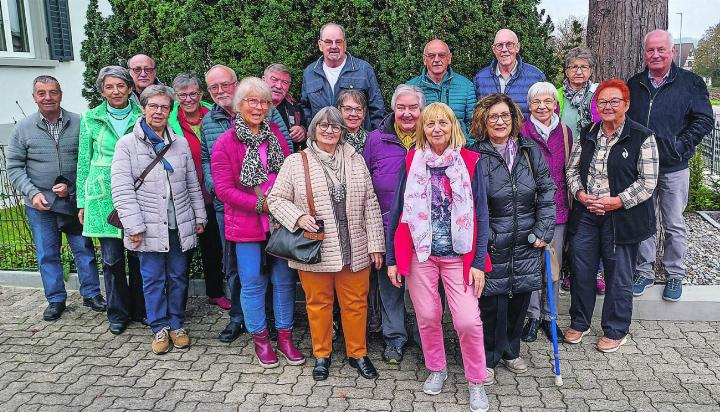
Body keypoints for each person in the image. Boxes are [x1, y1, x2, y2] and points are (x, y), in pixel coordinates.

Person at [386, 102, 491, 412]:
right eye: (430, 124)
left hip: (459, 256)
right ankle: (437, 368)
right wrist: (393, 258)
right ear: (423, 129)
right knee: (428, 317)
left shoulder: (470, 162)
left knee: (468, 321)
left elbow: (482, 215)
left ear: (452, 126)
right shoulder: (412, 161)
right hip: (422, 254)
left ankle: (476, 380)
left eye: (443, 123)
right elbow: (398, 212)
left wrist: (478, 262)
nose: (436, 129)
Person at [268, 107, 385, 381]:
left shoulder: (355, 159)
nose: (329, 130)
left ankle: (358, 353)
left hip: (354, 246)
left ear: (342, 131)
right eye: (323, 125)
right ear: (313, 129)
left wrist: (376, 244)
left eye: (335, 126)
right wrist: (298, 217)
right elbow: (275, 199)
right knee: (318, 304)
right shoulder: (297, 162)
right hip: (316, 248)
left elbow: (370, 202)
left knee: (356, 303)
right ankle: (322, 354)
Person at [210, 77, 303, 368]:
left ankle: (285, 337)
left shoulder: (275, 132)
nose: (258, 107)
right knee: (252, 283)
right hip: (247, 225)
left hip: (279, 224)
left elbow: (289, 172)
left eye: (263, 102)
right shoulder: (226, 142)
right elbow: (223, 190)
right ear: (239, 105)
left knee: (284, 281)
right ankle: (261, 340)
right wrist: (261, 204)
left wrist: (282, 205)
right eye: (252, 101)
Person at [111, 85, 207, 354]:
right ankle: (159, 328)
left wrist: (199, 216)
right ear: (143, 108)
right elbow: (121, 188)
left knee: (178, 276)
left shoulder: (179, 143)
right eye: (153, 106)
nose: (159, 111)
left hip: (178, 224)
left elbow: (192, 183)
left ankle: (177, 324)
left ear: (170, 110)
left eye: (164, 107)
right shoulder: (127, 145)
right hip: (146, 226)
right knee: (152, 279)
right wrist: (133, 226)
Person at [565, 79, 659, 352]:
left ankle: (616, 329)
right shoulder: (588, 132)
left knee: (618, 274)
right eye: (603, 102)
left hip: (621, 217)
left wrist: (616, 202)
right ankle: (579, 323)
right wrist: (581, 195)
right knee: (582, 270)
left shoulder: (642, 136)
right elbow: (572, 171)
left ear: (626, 105)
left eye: (614, 101)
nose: (608, 107)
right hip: (586, 214)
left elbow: (648, 182)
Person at [468, 94, 555, 384]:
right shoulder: (474, 155)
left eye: (505, 115)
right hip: (492, 240)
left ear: (515, 119)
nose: (500, 121)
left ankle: (511, 350)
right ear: (483, 120)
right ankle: (489, 355)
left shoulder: (530, 152)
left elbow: (546, 191)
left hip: (528, 239)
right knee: (491, 304)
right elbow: (467, 202)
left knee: (520, 298)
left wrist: (544, 229)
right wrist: (484, 236)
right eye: (493, 116)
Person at [6, 76, 105, 321]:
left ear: (60, 94)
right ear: (34, 97)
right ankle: (55, 299)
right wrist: (33, 193)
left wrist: (72, 190)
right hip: (40, 205)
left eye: (52, 92)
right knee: (47, 253)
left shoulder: (80, 123)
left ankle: (91, 294)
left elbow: (89, 161)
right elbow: (15, 167)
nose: (47, 97)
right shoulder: (23, 128)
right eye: (41, 93)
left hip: (72, 203)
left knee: (84, 250)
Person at [628, 30, 714, 302]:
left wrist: (681, 145)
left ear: (672, 51)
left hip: (674, 167)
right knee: (645, 221)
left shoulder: (690, 83)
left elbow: (704, 119)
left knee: (674, 222)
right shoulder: (636, 83)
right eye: (651, 50)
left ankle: (675, 273)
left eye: (661, 50)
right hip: (642, 168)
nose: (655, 55)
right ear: (645, 53)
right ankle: (644, 271)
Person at [76, 66, 144, 335]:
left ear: (129, 88)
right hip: (102, 195)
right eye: (109, 87)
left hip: (135, 190)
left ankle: (141, 310)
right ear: (102, 91)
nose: (115, 91)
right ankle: (117, 313)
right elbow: (83, 161)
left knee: (139, 255)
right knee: (112, 258)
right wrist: (82, 200)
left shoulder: (142, 115)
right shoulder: (90, 118)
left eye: (120, 86)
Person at [363, 84, 425, 363]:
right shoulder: (376, 140)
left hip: (425, 230)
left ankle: (427, 338)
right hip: (388, 225)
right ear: (393, 109)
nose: (407, 113)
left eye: (413, 107)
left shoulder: (434, 135)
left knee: (426, 288)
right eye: (402, 107)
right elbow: (365, 187)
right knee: (391, 286)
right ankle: (394, 339)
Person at [167, 73, 230, 311]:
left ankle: (215, 291)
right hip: (183, 193)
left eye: (193, 93)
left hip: (213, 192)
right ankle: (177, 302)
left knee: (213, 246)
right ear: (175, 97)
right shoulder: (170, 120)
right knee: (183, 248)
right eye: (183, 95)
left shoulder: (213, 114)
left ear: (201, 94)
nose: (189, 98)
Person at [519, 82, 572, 343]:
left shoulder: (565, 132)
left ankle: (550, 317)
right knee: (531, 266)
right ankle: (532, 315)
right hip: (528, 209)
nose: (542, 106)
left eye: (547, 101)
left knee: (553, 267)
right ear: (529, 106)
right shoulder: (520, 131)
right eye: (536, 102)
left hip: (558, 209)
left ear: (555, 104)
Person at [199, 64, 246, 342]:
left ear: (236, 83)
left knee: (266, 262)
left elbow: (284, 148)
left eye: (225, 85)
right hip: (225, 206)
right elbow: (206, 158)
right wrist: (213, 186)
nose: (220, 92)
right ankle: (238, 317)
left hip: (259, 204)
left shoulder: (257, 107)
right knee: (233, 265)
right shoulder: (209, 121)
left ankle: (268, 317)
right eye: (214, 87)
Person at [556, 47, 605, 296]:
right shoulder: (557, 96)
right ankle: (568, 270)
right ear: (566, 71)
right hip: (562, 162)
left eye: (583, 67)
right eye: (573, 67)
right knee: (567, 219)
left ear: (590, 71)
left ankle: (594, 270)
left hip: (591, 163)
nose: (578, 71)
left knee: (589, 217)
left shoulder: (597, 94)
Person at [300, 23, 385, 130]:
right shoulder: (310, 73)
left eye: (338, 42)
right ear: (320, 45)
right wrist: (311, 131)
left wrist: (374, 139)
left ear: (345, 44)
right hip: (323, 140)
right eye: (328, 42)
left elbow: (377, 108)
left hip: (357, 143)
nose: (334, 46)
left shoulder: (363, 69)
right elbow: (305, 108)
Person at [407, 39, 477, 140]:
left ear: (449, 58)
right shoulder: (411, 87)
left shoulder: (466, 86)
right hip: (424, 150)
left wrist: (467, 146)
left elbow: (473, 123)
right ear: (424, 60)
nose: (436, 59)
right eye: (431, 56)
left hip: (460, 148)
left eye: (441, 55)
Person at [473, 29, 546, 117]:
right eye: (499, 45)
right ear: (493, 49)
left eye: (509, 45)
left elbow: (546, 113)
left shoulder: (536, 77)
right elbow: (476, 115)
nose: (504, 49)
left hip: (525, 131)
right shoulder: (480, 78)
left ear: (517, 47)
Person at [262, 63, 306, 151]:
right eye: (274, 80)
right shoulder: (250, 105)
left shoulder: (295, 108)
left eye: (284, 82)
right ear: (263, 80)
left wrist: (302, 131)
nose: (279, 86)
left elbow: (306, 129)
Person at [336, 89, 369, 153]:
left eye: (358, 109)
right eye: (348, 109)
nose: (353, 114)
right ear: (339, 111)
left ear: (364, 114)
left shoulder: (372, 139)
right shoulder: (333, 138)